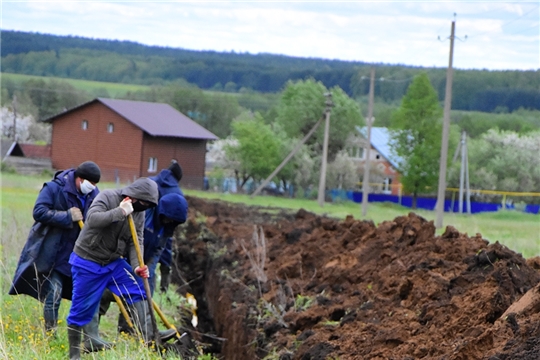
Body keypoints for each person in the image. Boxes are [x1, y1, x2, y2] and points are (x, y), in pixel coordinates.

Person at [66, 177, 176, 360]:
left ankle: (150, 334)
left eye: (149, 206)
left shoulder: (139, 213)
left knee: (138, 288)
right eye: (144, 203)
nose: (145, 208)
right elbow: (92, 219)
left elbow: (136, 240)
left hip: (113, 263)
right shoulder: (108, 197)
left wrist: (137, 266)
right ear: (134, 196)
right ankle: (74, 354)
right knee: (80, 309)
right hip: (88, 261)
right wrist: (120, 212)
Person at [9, 161, 102, 340]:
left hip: (77, 256)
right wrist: (67, 216)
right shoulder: (54, 188)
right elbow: (39, 211)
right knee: (54, 294)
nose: (92, 188)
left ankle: (88, 337)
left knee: (86, 295)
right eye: (90, 183)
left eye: (95, 185)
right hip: (54, 253)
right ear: (80, 179)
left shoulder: (93, 194)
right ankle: (50, 335)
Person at [150, 159, 184, 292]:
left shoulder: (150, 181)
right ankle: (163, 287)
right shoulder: (176, 193)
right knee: (147, 276)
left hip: (139, 228)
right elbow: (168, 234)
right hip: (159, 233)